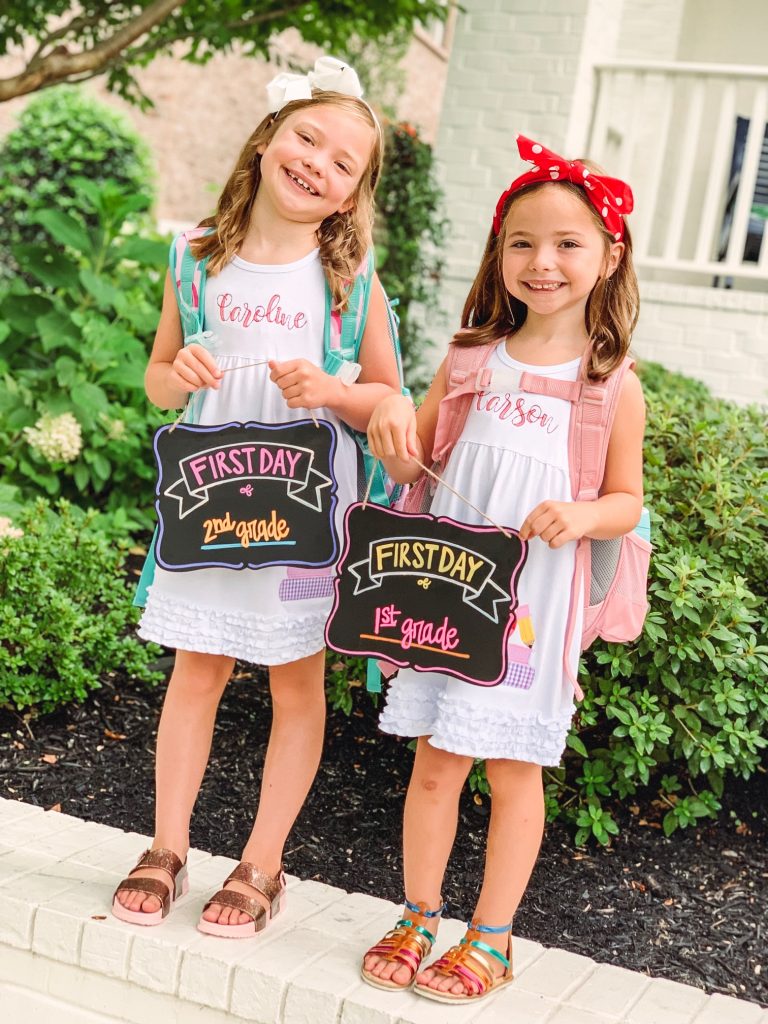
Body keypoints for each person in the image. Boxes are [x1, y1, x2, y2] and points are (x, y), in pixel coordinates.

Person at [111, 58, 402, 936]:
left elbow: (390, 399)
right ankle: (166, 845)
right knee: (194, 671)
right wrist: (180, 371)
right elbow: (161, 380)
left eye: (343, 161)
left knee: (294, 682)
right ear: (269, 138)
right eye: (307, 136)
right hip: (209, 505)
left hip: (303, 514)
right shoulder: (197, 258)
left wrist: (335, 391)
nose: (317, 161)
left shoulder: (348, 281)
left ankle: (264, 863)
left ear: (352, 195)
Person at [361, 135, 645, 1003]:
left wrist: (584, 513)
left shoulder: (609, 382)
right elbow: (418, 468)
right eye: (522, 242)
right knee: (435, 762)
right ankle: (418, 914)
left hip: (533, 605)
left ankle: (493, 936)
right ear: (499, 254)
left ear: (608, 255)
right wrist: (389, 436)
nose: (542, 261)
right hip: (448, 596)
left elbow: (627, 500)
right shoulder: (469, 359)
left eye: (566, 243)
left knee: (511, 769)